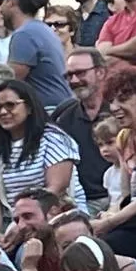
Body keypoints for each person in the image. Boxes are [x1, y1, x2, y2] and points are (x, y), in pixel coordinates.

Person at [0, 81, 85, 227]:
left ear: (29, 107)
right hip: (17, 220)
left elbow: (55, 190)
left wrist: (24, 223)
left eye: (10, 105)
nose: (3, 112)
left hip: (60, 217)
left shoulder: (54, 139)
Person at [50, 48, 112, 213]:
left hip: (118, 196)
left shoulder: (119, 110)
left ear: (100, 72)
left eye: (81, 73)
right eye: (69, 75)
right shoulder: (63, 114)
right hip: (80, 201)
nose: (74, 80)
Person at [0, 0, 73, 109]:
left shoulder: (24, 35)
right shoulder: (42, 29)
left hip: (49, 111)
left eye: (3, 2)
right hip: (63, 106)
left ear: (12, 0)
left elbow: (12, 82)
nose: (0, 9)